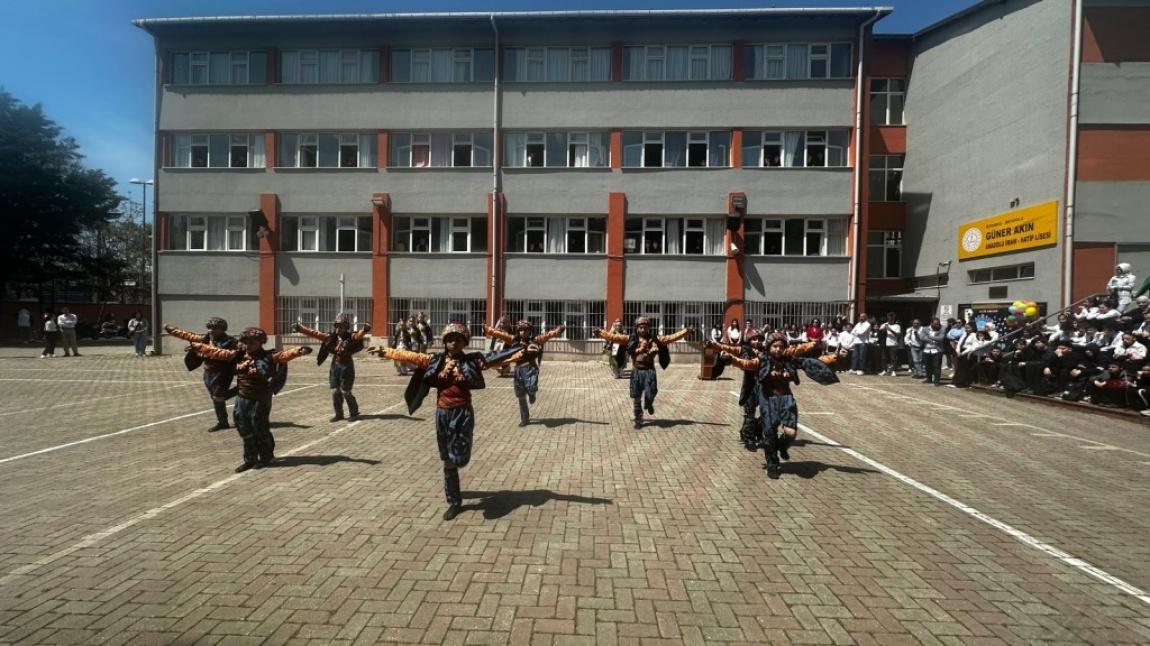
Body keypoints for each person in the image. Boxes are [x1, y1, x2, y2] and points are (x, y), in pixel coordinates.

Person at [367, 322, 522, 521]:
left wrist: (521, 350)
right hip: (442, 413)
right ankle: (454, 501)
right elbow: (411, 356)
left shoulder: (473, 361)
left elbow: (497, 357)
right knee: (447, 460)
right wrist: (386, 351)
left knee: (460, 459)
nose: (453, 343)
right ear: (445, 341)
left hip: (463, 413)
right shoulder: (435, 361)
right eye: (450, 339)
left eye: (458, 340)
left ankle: (456, 474)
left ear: (464, 342)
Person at [187, 328, 312, 472]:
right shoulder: (237, 355)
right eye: (245, 342)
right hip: (242, 396)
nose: (248, 345)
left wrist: (299, 351)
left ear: (260, 343)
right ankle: (250, 459)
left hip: (260, 397)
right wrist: (197, 347)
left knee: (259, 427)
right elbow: (216, 352)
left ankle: (266, 457)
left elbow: (283, 355)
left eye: (252, 342)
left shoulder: (268, 356)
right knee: (243, 427)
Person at [722, 333, 839, 479]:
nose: (778, 349)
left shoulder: (789, 360)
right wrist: (731, 359)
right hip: (768, 399)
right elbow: (745, 364)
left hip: (786, 399)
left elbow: (810, 362)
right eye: (775, 346)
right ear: (769, 347)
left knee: (791, 433)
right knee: (770, 433)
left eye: (781, 347)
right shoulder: (762, 360)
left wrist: (834, 357)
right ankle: (772, 463)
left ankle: (782, 446)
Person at [595, 317, 692, 429]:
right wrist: (600, 332)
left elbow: (671, 337)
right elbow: (613, 337)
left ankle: (648, 403)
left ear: (648, 328)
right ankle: (638, 419)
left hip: (649, 371)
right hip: (637, 371)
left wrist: (686, 331)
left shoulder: (655, 339)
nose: (643, 329)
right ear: (637, 328)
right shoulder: (630, 339)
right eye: (640, 327)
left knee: (651, 392)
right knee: (636, 396)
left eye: (645, 327)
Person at [294, 314, 372, 422]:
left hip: (347, 366)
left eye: (341, 326)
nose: (338, 329)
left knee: (346, 391)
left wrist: (365, 329)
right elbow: (315, 333)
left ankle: (354, 413)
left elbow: (359, 335)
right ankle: (339, 414)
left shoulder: (351, 337)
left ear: (346, 326)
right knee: (335, 391)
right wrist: (300, 329)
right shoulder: (332, 337)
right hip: (335, 366)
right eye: (337, 326)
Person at [166, 317, 239, 431]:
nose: (211, 331)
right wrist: (171, 330)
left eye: (214, 328)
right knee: (215, 398)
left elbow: (226, 355)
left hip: (223, 373)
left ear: (222, 329)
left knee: (218, 397)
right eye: (209, 328)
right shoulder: (206, 338)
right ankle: (222, 422)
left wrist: (201, 348)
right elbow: (188, 336)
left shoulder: (231, 342)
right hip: (208, 372)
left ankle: (241, 389)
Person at [708, 326, 766, 451]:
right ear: (749, 339)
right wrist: (714, 345)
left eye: (760, 339)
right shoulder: (744, 349)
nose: (757, 341)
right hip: (751, 385)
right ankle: (748, 437)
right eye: (754, 339)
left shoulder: (767, 351)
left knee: (767, 412)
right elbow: (729, 348)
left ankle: (758, 430)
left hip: (765, 386)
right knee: (750, 413)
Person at [919, 318, 947, 386]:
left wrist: (929, 336)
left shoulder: (942, 328)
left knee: (936, 366)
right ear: (931, 323)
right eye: (935, 324)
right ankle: (929, 379)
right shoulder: (925, 328)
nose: (937, 325)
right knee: (927, 366)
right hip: (927, 350)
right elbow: (922, 337)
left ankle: (936, 381)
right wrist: (930, 340)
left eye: (938, 324)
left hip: (937, 350)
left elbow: (941, 338)